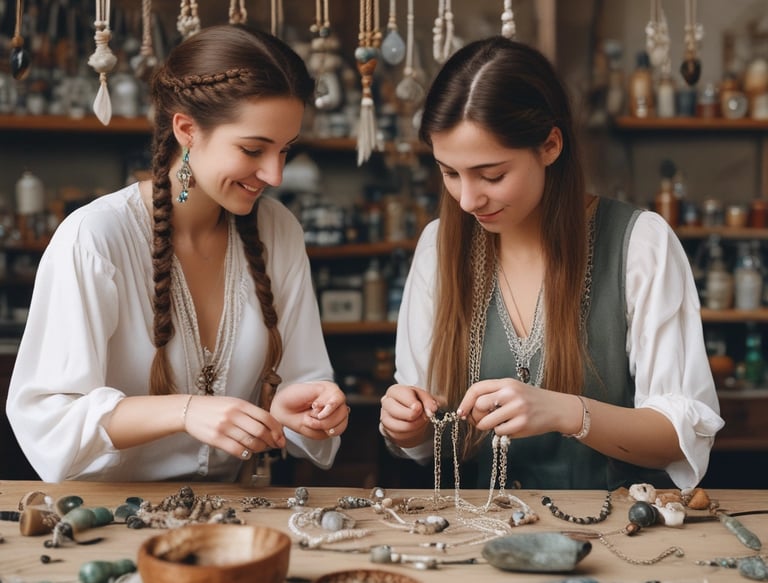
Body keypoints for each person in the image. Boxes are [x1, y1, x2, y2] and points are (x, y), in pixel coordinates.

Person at [6, 24, 349, 483]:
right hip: (106, 522)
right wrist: (186, 411)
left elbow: (302, 380)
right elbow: (48, 420)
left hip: (234, 519)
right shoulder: (95, 238)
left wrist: (302, 408)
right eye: (253, 149)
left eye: (285, 150)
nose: (275, 174)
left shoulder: (277, 231)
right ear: (187, 129)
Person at [379, 36, 723, 490]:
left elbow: (681, 440)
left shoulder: (640, 243)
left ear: (550, 146)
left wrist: (565, 412)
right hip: (469, 541)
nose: (466, 200)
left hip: (611, 538)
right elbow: (420, 444)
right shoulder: (437, 247)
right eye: (449, 172)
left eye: (492, 175)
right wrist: (405, 424)